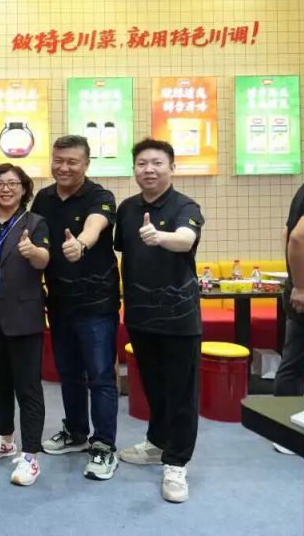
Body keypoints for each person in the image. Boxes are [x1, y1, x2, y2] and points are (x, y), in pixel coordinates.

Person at [114, 138, 204, 504]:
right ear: (134, 169)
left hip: (180, 317)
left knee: (181, 392)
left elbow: (185, 239)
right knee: (153, 387)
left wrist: (160, 236)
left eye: (157, 163)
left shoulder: (186, 206)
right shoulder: (127, 209)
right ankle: (157, 442)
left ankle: (177, 462)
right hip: (139, 314)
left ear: (172, 167)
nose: (148, 169)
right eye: (142, 163)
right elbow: (124, 252)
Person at [30, 135, 121, 480]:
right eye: (58, 160)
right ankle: (76, 432)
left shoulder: (100, 196)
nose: (64, 167)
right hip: (59, 301)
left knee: (100, 376)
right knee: (68, 373)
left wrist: (80, 243)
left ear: (86, 164)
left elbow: (96, 225)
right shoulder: (44, 198)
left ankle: (104, 445)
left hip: (96, 303)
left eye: (72, 162)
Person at [0, 164, 49, 486]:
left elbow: (45, 259)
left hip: (23, 315)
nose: (6, 189)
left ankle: (31, 456)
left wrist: (33, 252)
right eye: (0, 183)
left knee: (27, 386)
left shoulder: (35, 222)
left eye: (13, 183)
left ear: (24, 189)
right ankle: (5, 440)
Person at [273, 146, 304, 420]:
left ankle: (289, 426)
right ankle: (285, 429)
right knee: (297, 365)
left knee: (299, 363)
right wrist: (302, 285)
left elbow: (286, 234)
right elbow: (298, 237)